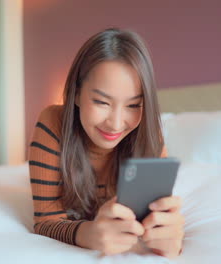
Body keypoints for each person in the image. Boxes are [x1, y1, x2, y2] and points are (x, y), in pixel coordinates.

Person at [28, 28, 185, 258]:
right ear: (77, 93)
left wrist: (169, 242)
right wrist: (89, 234)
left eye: (133, 105)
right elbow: (45, 221)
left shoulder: (149, 134)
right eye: (102, 102)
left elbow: (156, 224)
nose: (115, 123)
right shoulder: (53, 123)